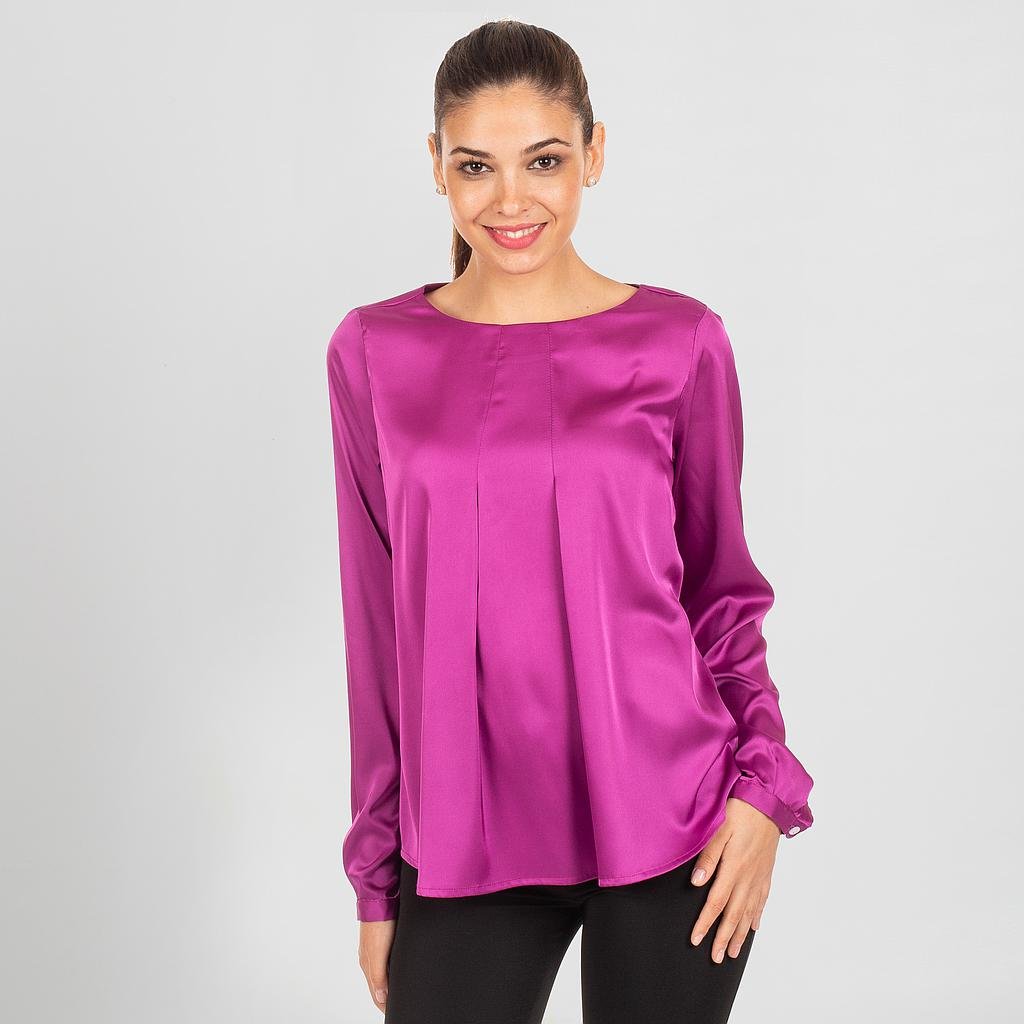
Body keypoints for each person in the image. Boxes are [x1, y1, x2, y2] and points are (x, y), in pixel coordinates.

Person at [326, 19, 814, 1023]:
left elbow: (722, 594)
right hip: (462, 832)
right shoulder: (372, 353)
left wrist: (762, 790)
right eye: (476, 165)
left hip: (675, 818)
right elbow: (376, 632)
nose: (510, 200)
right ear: (436, 166)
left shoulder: (681, 342)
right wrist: (376, 876)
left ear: (594, 153)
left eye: (543, 160)